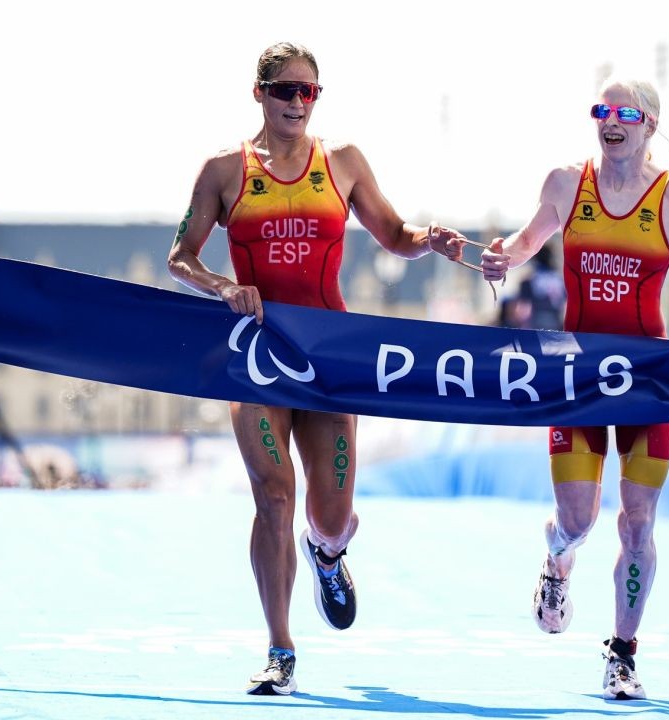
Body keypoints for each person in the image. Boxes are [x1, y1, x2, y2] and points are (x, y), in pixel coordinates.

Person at [166, 42, 466, 696]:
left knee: (329, 516)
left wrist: (430, 241)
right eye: (286, 91)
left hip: (327, 360)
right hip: (256, 361)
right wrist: (220, 285)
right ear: (260, 93)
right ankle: (280, 648)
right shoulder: (223, 171)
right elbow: (179, 257)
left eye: (310, 92)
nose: (298, 102)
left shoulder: (343, 163)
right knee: (274, 495)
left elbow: (394, 235)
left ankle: (327, 552)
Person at [462, 77, 669, 700]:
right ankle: (558, 558)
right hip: (578, 372)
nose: (610, 121)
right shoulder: (567, 183)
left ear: (649, 123)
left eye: (625, 113)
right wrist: (498, 255)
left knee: (638, 523)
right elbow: (527, 241)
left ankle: (622, 654)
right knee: (579, 518)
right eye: (601, 111)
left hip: (648, 380)